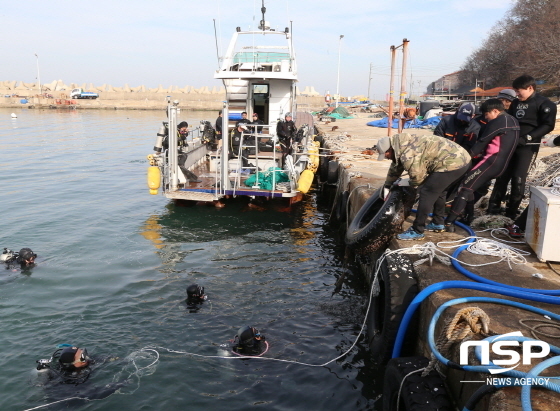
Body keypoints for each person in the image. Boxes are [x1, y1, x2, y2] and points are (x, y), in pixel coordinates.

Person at [376, 133, 471, 240]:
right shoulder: (399, 145)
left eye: (385, 155)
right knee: (439, 190)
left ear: (389, 150)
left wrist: (407, 182)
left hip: (453, 163)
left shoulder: (407, 153)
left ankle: (417, 230)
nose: (386, 158)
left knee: (427, 191)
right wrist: (387, 185)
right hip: (461, 159)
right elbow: (395, 167)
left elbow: (417, 178)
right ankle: (438, 222)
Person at [487, 74, 557, 218]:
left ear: (530, 88)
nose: (517, 94)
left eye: (519, 91)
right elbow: (509, 120)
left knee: (518, 179)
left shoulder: (545, 104)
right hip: (511, 144)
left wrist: (528, 137)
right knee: (502, 176)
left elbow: (548, 125)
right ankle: (493, 208)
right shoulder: (516, 103)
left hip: (528, 147)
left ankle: (511, 211)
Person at [444, 99, 520, 231]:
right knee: (471, 186)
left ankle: (448, 222)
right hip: (501, 164)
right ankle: (468, 218)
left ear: (495, 111)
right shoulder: (513, 120)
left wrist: (464, 158)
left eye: (486, 114)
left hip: (490, 162)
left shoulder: (497, 122)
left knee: (465, 188)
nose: (485, 118)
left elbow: (481, 143)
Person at [33, 344, 129, 404]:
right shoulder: (73, 380)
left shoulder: (83, 363)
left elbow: (98, 359)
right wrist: (120, 384)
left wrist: (115, 358)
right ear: (73, 363)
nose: (87, 357)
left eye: (84, 352)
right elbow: (95, 394)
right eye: (83, 357)